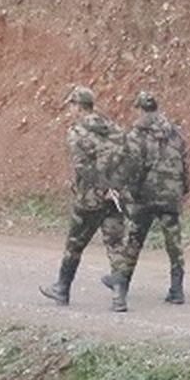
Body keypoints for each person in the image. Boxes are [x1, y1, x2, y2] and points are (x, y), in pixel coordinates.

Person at [40, 86, 137, 312]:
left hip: (91, 197)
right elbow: (129, 157)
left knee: (75, 243)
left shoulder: (76, 132)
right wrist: (117, 187)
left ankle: (62, 289)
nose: (70, 110)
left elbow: (83, 167)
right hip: (116, 197)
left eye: (71, 105)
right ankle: (119, 299)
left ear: (77, 106)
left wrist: (101, 187)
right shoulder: (113, 127)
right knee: (115, 244)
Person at [115, 89, 190, 304]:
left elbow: (132, 166)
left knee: (134, 240)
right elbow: (186, 164)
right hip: (171, 195)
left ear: (140, 109)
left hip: (146, 197)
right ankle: (177, 290)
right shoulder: (176, 132)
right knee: (174, 244)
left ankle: (121, 287)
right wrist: (183, 189)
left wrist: (129, 191)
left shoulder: (137, 133)